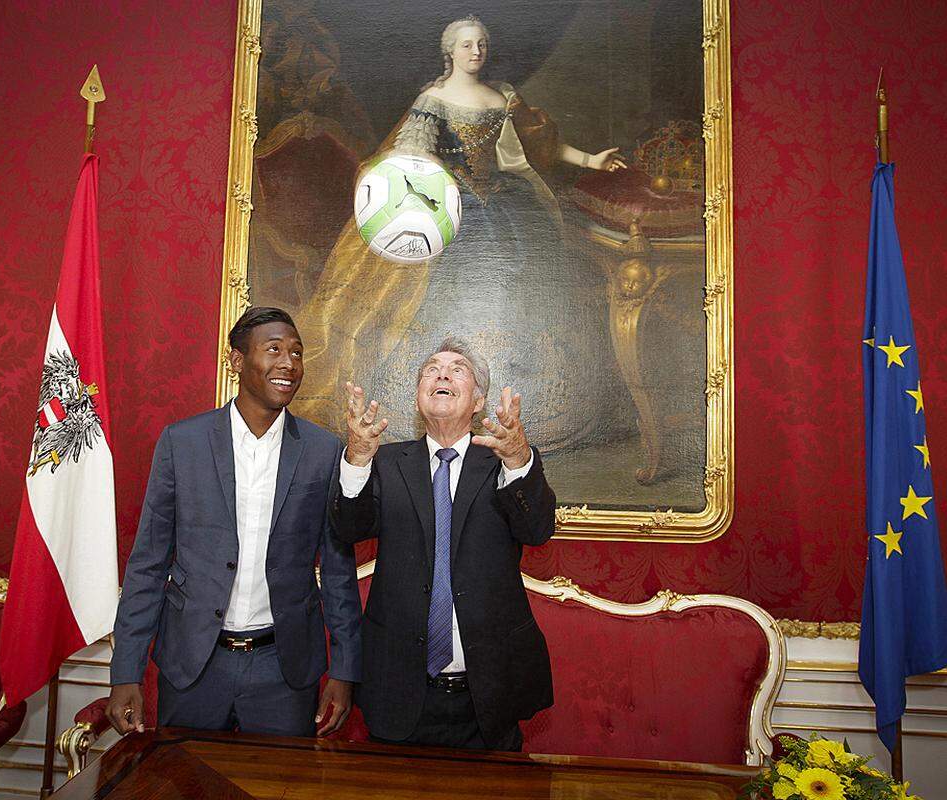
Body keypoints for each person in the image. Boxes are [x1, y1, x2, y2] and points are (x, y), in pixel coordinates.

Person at [292, 15, 630, 455]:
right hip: (451, 205)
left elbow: (537, 145)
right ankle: (435, 410)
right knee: (442, 294)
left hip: (506, 204)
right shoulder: (434, 98)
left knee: (522, 287)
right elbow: (409, 153)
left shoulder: (503, 96)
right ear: (449, 51)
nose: (476, 52)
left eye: (482, 45)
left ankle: (523, 409)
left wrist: (590, 160)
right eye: (467, 45)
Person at [105, 307, 361, 737]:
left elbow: (337, 569)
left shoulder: (322, 451)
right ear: (237, 361)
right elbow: (148, 563)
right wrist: (125, 671)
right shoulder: (181, 443)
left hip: (283, 672)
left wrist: (345, 669)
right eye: (274, 349)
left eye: (297, 353)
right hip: (194, 666)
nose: (288, 364)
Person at [330, 338, 556, 751]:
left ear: (479, 401)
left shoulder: (505, 462)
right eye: (431, 370)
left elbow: (537, 529)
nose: (442, 374)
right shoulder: (384, 461)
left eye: (458, 369)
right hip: (397, 687)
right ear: (419, 397)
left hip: (489, 691)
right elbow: (348, 529)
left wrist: (519, 460)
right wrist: (357, 459)